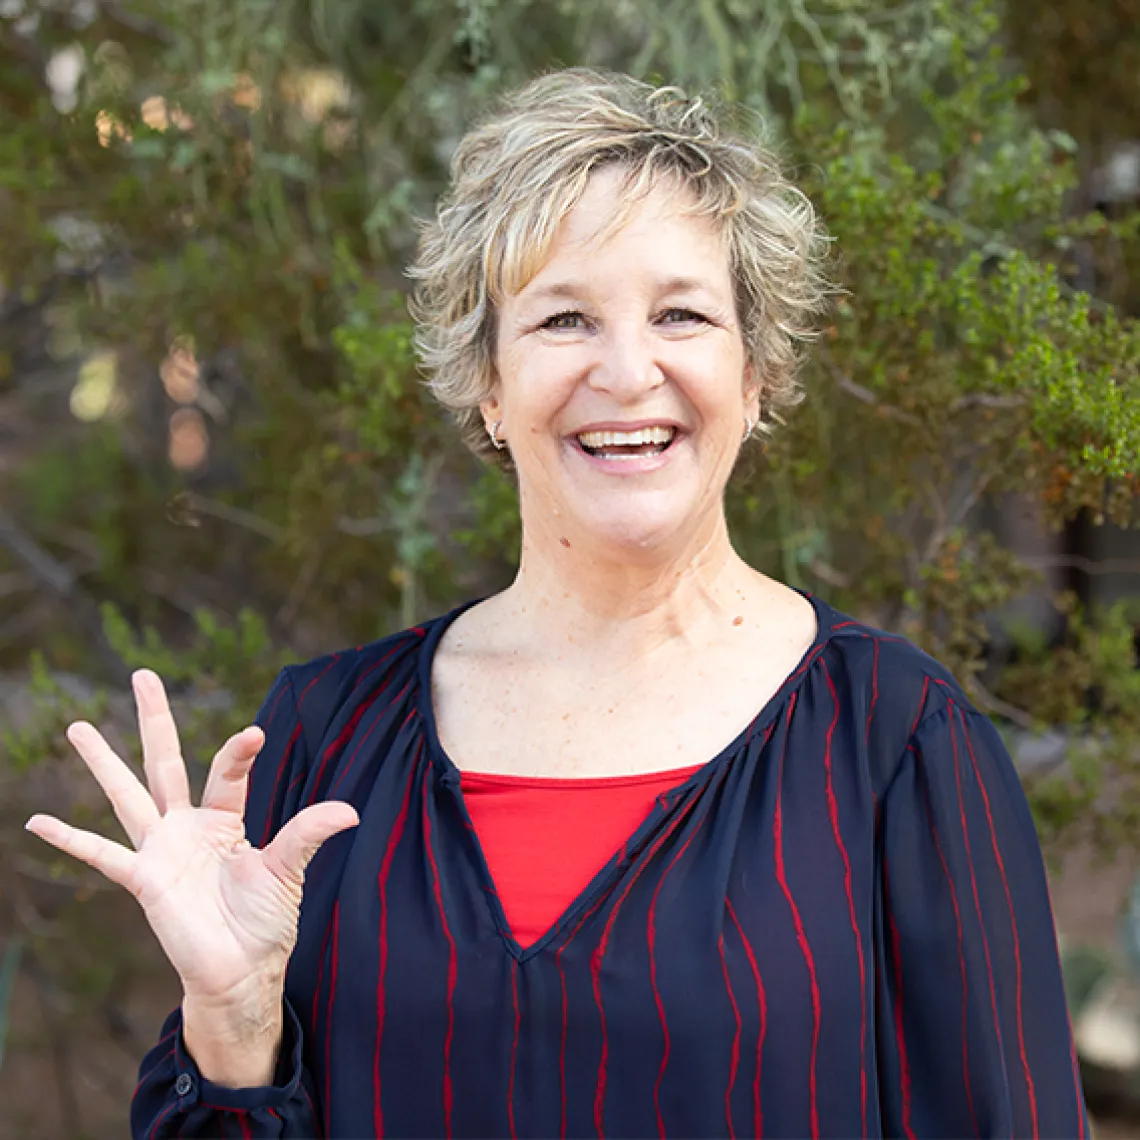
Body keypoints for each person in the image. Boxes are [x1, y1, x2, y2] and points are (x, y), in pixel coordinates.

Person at [26, 69, 1089, 1139]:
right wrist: (232, 1020)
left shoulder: (896, 743)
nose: (627, 372)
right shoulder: (325, 740)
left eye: (681, 314)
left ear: (756, 374)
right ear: (488, 385)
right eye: (565, 319)